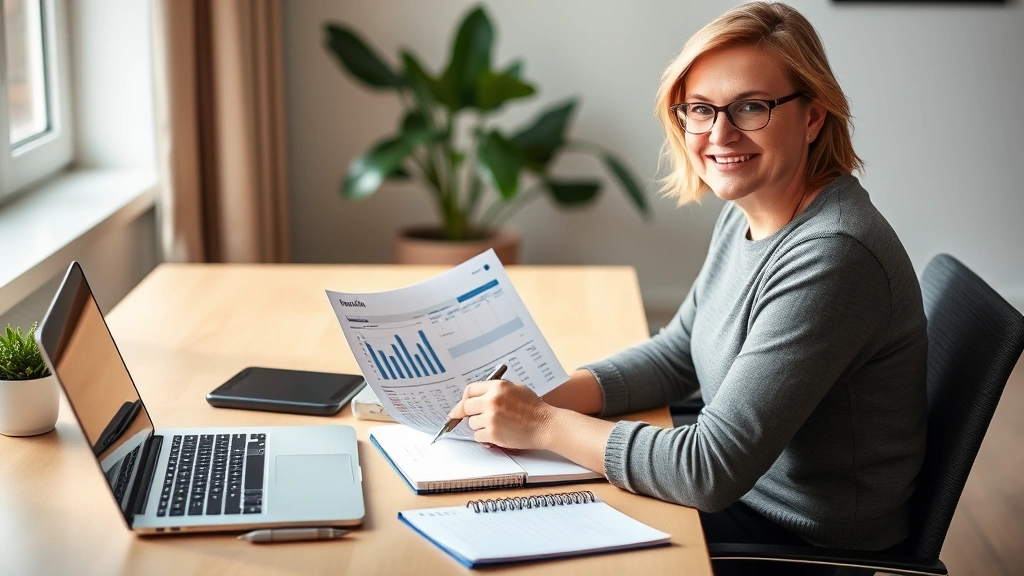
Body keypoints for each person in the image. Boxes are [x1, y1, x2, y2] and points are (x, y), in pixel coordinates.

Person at [448, 1, 927, 555]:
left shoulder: (833, 257)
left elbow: (708, 470)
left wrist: (541, 422)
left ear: (814, 116)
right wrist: (551, 396)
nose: (720, 134)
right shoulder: (750, 209)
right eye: (700, 108)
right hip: (741, 501)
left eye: (751, 107)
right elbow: (678, 353)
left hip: (795, 541)